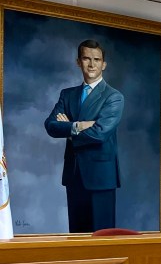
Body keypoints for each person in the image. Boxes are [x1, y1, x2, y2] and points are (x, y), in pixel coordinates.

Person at [43, 40, 124, 233]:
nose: (92, 64)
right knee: (77, 237)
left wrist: (69, 131)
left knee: (101, 239)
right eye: (87, 58)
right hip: (74, 174)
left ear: (104, 64)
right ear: (78, 62)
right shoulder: (67, 95)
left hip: (101, 177)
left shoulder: (114, 97)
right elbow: (51, 125)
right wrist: (78, 125)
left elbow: (100, 133)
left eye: (97, 59)